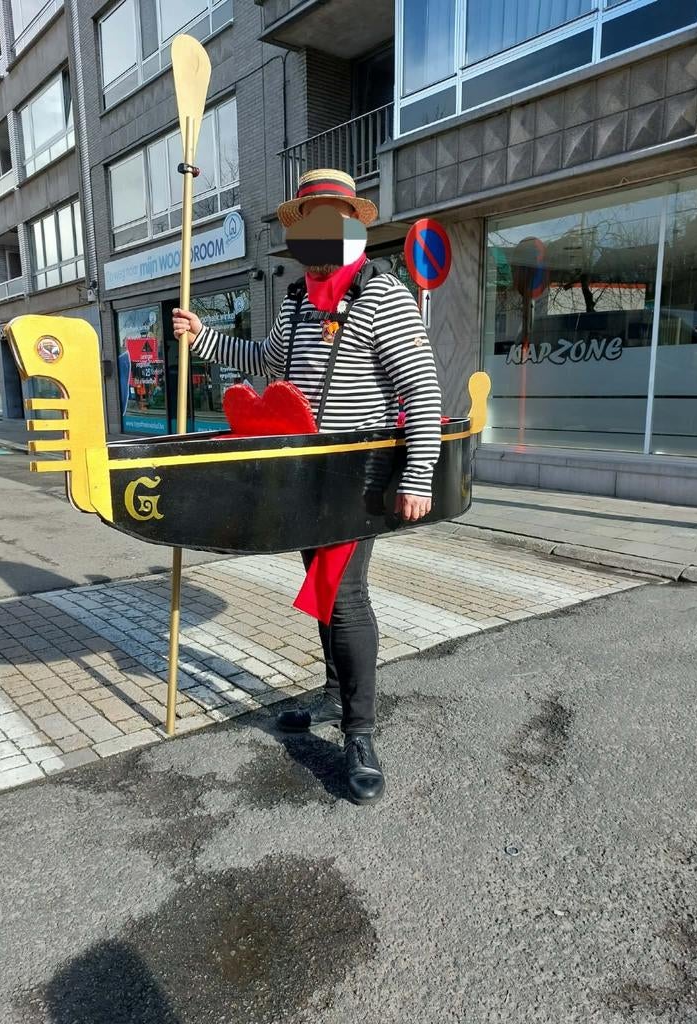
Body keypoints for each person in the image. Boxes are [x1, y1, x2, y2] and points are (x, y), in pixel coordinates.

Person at [173, 168, 442, 805]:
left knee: (343, 596)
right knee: (321, 594)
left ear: (351, 229)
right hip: (304, 483)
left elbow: (422, 390)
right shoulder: (296, 302)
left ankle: (360, 733)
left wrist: (419, 473)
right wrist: (200, 336)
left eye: (332, 225)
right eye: (308, 227)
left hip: (356, 481)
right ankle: (330, 693)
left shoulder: (385, 297)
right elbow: (265, 366)